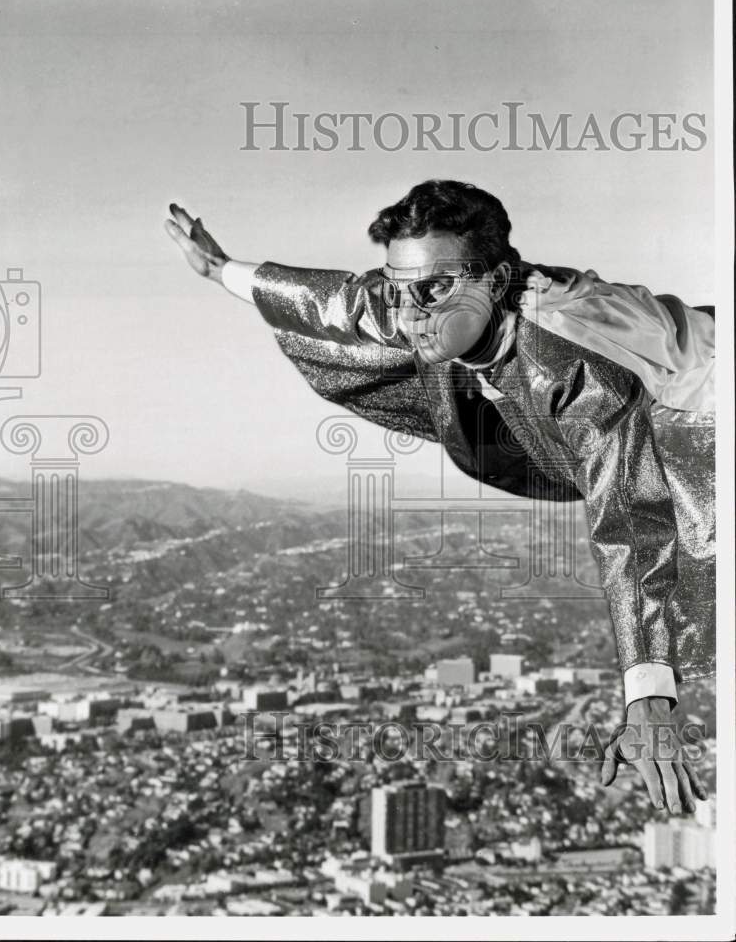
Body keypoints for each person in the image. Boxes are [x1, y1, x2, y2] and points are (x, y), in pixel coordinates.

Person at [165, 179, 714, 815]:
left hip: (700, 429)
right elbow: (340, 302)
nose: (411, 313)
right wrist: (221, 269)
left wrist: (647, 702)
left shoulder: (574, 360)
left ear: (499, 280)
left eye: (433, 290)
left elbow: (630, 522)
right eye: (401, 288)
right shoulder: (433, 296)